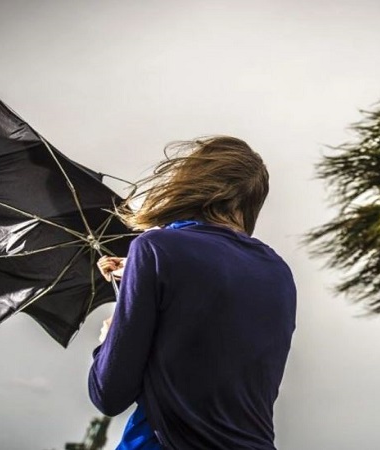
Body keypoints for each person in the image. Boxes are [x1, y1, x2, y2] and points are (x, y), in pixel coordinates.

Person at [88, 136, 297, 450]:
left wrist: (109, 337)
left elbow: (108, 394)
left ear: (192, 182)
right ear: (252, 202)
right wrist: (138, 271)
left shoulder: (157, 248)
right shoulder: (278, 272)